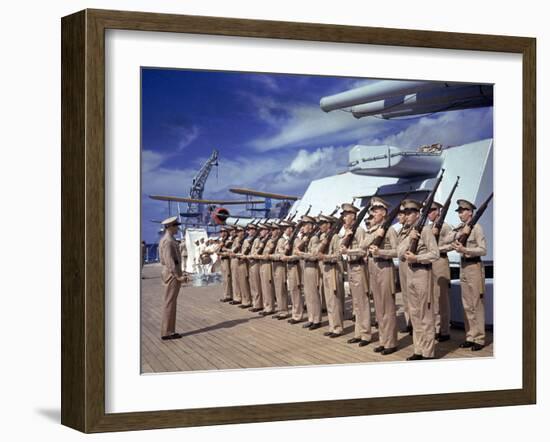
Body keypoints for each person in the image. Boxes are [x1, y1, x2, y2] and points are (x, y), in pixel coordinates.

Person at [396, 200, 440, 360]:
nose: (406, 216)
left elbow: (435, 254)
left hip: (422, 273)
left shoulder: (426, 230)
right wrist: (409, 239)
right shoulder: (408, 231)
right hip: (410, 275)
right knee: (414, 314)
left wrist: (417, 258)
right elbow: (399, 253)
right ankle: (418, 349)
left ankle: (428, 353)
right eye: (405, 213)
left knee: (425, 315)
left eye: (409, 213)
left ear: (417, 214)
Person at [444, 199, 487, 351]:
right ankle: (470, 336)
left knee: (476, 305)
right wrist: (460, 233)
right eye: (459, 211)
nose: (460, 214)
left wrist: (466, 251)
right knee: (467, 305)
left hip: (474, 267)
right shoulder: (461, 227)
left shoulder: (477, 228)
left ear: (470, 212)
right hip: (463, 267)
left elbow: (483, 250)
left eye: (462, 211)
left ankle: (480, 339)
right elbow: (447, 238)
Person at [361, 197, 399, 355]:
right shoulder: (374, 230)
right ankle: (383, 341)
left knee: (387, 308)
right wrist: (376, 233)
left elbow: (398, 251)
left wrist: (381, 252)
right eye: (372, 211)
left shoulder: (390, 230)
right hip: (373, 268)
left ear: (383, 213)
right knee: (378, 307)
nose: (373, 214)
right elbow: (363, 244)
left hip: (385, 268)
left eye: (376, 211)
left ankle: (391, 342)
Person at [340, 203, 372, 347]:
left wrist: (349, 252)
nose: (343, 218)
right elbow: (341, 248)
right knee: (356, 304)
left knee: (363, 303)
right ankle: (358, 333)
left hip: (359, 267)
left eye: (345, 215)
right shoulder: (348, 231)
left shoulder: (359, 230)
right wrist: (345, 237)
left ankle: (366, 335)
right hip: (351, 268)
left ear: (353, 216)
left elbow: (363, 250)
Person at [158, 216, 188, 340]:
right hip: (172, 275)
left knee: (171, 302)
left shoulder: (168, 239)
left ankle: (170, 330)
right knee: (169, 303)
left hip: (171, 273)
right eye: (176, 226)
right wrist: (178, 276)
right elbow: (170, 261)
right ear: (170, 227)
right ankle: (166, 332)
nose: (177, 228)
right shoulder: (168, 241)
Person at [428, 201, 453, 342]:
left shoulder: (445, 227)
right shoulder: (429, 227)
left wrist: (439, 249)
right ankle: (437, 328)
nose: (430, 213)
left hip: (441, 262)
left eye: (432, 210)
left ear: (439, 211)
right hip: (431, 263)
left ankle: (445, 330)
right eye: (428, 210)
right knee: (434, 298)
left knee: (442, 299)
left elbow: (453, 245)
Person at [317, 214, 344, 338]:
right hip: (326, 269)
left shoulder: (336, 237)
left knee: (334, 300)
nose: (320, 226)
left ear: (328, 225)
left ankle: (338, 328)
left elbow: (338, 255)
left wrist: (325, 257)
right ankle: (332, 326)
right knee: (328, 301)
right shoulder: (324, 237)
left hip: (333, 270)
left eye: (322, 224)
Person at [296, 216, 322, 330]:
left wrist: (301, 254)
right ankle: (311, 318)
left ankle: (316, 320)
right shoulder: (306, 238)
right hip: (306, 267)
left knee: (313, 295)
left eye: (304, 225)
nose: (302, 228)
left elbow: (313, 255)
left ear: (310, 226)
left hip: (312, 267)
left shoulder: (314, 238)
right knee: (307, 294)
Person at [282, 221, 304, 324]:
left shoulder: (296, 240)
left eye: (286, 227)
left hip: (295, 266)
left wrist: (288, 257)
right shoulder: (289, 240)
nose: (285, 229)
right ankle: (295, 314)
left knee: (295, 291)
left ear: (291, 229)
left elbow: (299, 254)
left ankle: (297, 315)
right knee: (292, 290)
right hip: (290, 266)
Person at [396, 203, 413, 334]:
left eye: (402, 214)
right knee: (406, 296)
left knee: (413, 296)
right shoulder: (402, 230)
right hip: (402, 264)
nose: (400, 217)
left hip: (410, 263)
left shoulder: (414, 230)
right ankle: (409, 323)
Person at [271, 221, 290, 320]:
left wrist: (272, 256)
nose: (273, 231)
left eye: (275, 229)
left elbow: (283, 253)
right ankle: (280, 310)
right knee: (277, 290)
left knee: (281, 290)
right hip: (275, 265)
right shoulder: (278, 240)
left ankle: (283, 311)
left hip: (280, 266)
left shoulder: (283, 240)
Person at [216, 227, 233, 302]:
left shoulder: (229, 240)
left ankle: (228, 295)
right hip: (222, 260)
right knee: (224, 279)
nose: (221, 233)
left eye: (223, 231)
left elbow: (231, 251)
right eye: (220, 231)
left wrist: (224, 248)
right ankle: (226, 294)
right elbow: (217, 250)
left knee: (227, 278)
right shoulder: (222, 240)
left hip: (227, 260)